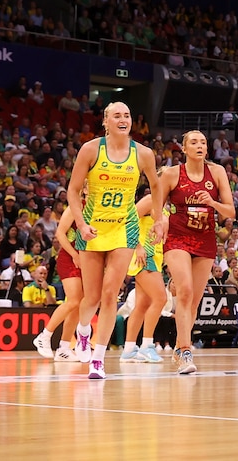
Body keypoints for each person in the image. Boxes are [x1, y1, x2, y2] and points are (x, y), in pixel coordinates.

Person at [68, 101, 164, 379]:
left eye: (127, 114)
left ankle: (98, 359)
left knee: (111, 294)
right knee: (92, 297)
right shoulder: (90, 149)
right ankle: (83, 331)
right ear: (106, 121)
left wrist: (158, 219)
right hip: (92, 229)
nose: (123, 119)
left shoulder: (143, 154)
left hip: (124, 228)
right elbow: (73, 192)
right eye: (117, 115)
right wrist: (81, 224)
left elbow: (156, 187)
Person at [159, 130, 235, 374]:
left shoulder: (218, 173)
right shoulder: (172, 174)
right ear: (184, 148)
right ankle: (186, 350)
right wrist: (160, 222)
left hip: (205, 240)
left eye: (203, 142)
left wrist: (212, 203)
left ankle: (180, 348)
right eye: (194, 142)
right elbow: (156, 206)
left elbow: (230, 212)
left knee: (193, 301)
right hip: (178, 238)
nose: (200, 145)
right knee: (186, 291)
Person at [119, 193, 168, 364]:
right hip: (144, 256)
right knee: (161, 298)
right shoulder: (150, 199)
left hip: (155, 257)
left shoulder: (166, 206)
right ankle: (147, 345)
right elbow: (127, 221)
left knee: (142, 305)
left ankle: (129, 350)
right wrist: (138, 247)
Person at [32, 200, 84, 362]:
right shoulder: (76, 206)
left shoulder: (99, 207)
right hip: (69, 258)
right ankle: (44, 335)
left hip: (87, 258)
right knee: (74, 300)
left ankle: (64, 348)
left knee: (79, 304)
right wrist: (75, 255)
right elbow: (60, 234)